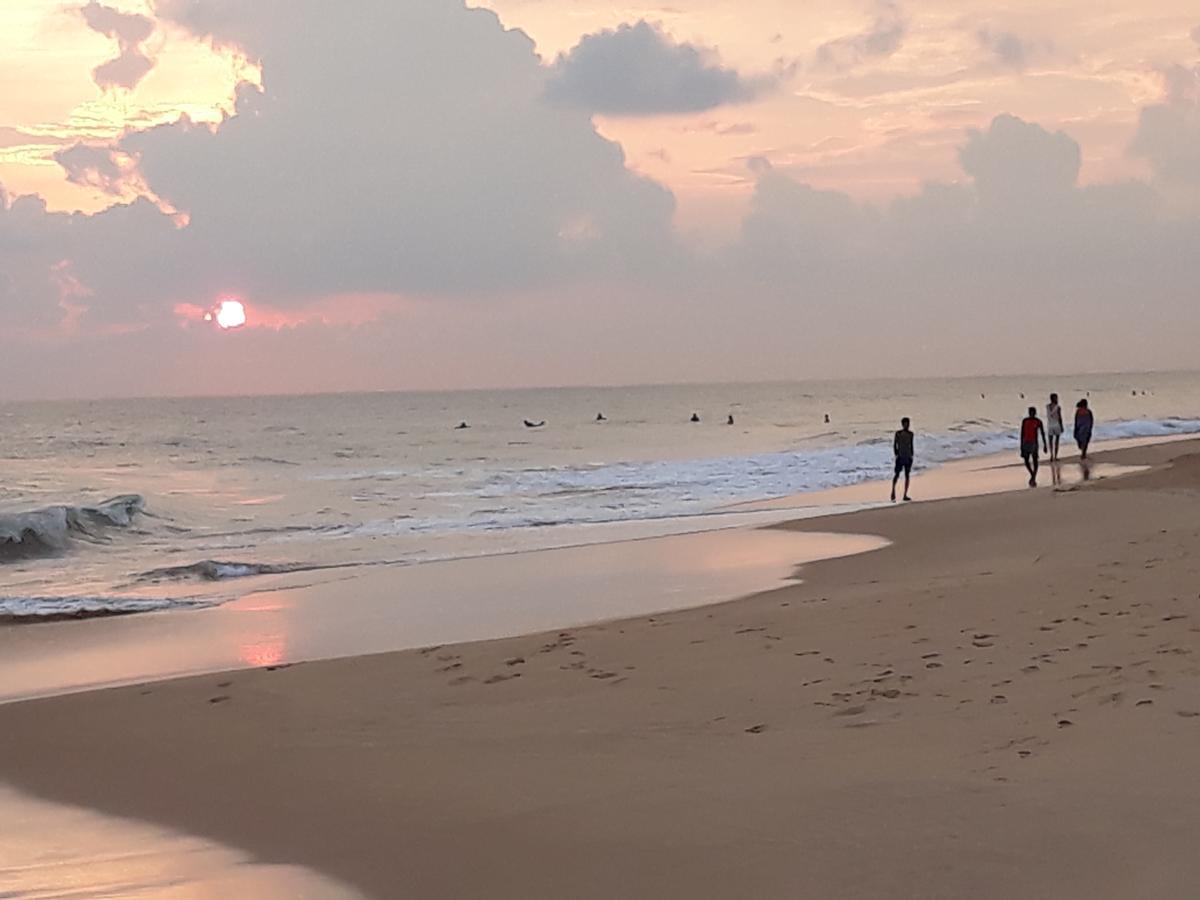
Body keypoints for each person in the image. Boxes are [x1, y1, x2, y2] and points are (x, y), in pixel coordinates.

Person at [1020, 406, 1047, 486]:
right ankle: (1032, 474)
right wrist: (1021, 445)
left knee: (1035, 460)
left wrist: (1045, 444)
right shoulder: (1025, 421)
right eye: (1030, 412)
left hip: (1034, 443)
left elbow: (1042, 433)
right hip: (1026, 442)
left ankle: (1033, 476)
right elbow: (1022, 433)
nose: (1031, 414)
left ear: (1035, 413)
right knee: (1026, 460)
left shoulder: (1038, 421)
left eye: (1033, 413)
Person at [891, 417, 914, 503]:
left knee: (907, 476)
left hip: (908, 457)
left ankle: (905, 494)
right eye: (905, 423)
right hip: (900, 457)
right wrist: (896, 454)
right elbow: (895, 445)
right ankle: (893, 491)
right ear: (902, 424)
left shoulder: (911, 434)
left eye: (908, 423)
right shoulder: (898, 433)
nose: (907, 425)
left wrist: (911, 455)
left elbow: (911, 445)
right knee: (896, 475)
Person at [1045, 393, 1064, 461]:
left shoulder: (1047, 406)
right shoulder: (1058, 407)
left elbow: (1048, 415)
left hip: (1050, 425)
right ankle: (1055, 456)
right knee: (1056, 441)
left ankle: (1051, 455)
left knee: (1050, 441)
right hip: (1056, 424)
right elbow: (1059, 417)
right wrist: (1061, 426)